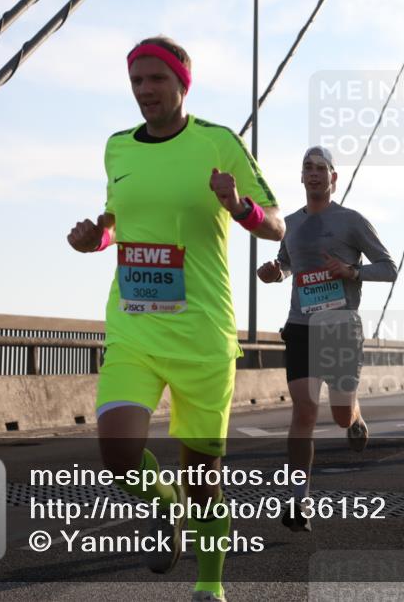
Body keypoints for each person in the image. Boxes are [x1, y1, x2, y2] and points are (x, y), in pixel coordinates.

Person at [67, 36, 284, 602]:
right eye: (136, 81)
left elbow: (278, 226)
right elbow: (117, 217)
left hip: (202, 335)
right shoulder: (118, 148)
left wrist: (240, 207)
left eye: (155, 80)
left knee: (203, 480)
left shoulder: (218, 143)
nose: (144, 91)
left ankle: (208, 587)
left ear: (181, 84)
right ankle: (166, 510)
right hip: (134, 327)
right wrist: (98, 237)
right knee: (117, 455)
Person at [257, 146, 397, 533]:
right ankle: (298, 500)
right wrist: (275, 271)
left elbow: (389, 268)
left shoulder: (351, 221)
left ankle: (355, 415)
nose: (314, 174)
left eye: (322, 168)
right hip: (300, 324)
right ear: (301, 177)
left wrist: (351, 271)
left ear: (333, 178)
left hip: (339, 327)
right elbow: (287, 264)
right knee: (304, 410)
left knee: (338, 416)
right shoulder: (290, 224)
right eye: (308, 168)